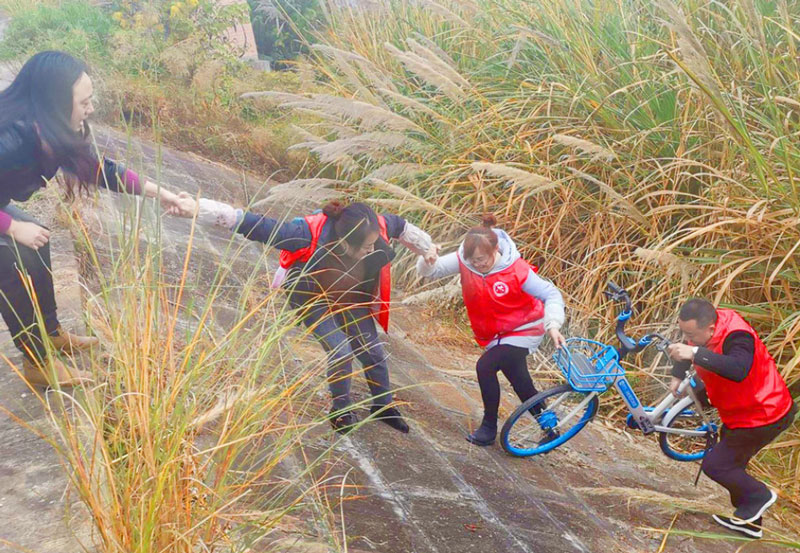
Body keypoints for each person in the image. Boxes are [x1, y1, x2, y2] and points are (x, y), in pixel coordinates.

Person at [0, 51, 186, 387]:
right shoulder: (10, 138)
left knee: (37, 238)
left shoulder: (50, 129)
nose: (91, 109)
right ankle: (37, 362)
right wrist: (11, 226)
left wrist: (163, 193)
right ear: (56, 103)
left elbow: (100, 169)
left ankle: (51, 332)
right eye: (84, 102)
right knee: (9, 260)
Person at [177, 194, 436, 434]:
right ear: (345, 241)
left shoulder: (374, 226)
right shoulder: (305, 233)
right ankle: (341, 410)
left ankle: (383, 405)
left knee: (373, 351)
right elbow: (255, 224)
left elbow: (402, 226)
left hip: (352, 297)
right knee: (341, 351)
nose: (372, 249)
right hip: (313, 298)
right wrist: (198, 208)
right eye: (366, 247)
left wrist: (428, 249)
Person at [416, 214, 565, 446]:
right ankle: (550, 426)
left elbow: (551, 294)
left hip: (524, 329)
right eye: (472, 260)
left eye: (481, 259)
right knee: (520, 380)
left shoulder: (516, 269)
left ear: (495, 249)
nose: (477, 264)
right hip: (497, 334)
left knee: (485, 366)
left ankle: (488, 426)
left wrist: (553, 324)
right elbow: (431, 271)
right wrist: (427, 259)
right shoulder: (466, 260)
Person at [667, 299, 796, 539]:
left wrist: (694, 353)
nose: (687, 339)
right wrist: (677, 373)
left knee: (717, 465)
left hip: (765, 413)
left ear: (711, 328)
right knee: (732, 464)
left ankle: (760, 496)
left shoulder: (738, 337)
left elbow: (738, 369)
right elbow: (689, 346)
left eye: (691, 335)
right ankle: (749, 522)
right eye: (685, 334)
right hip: (740, 412)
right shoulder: (702, 331)